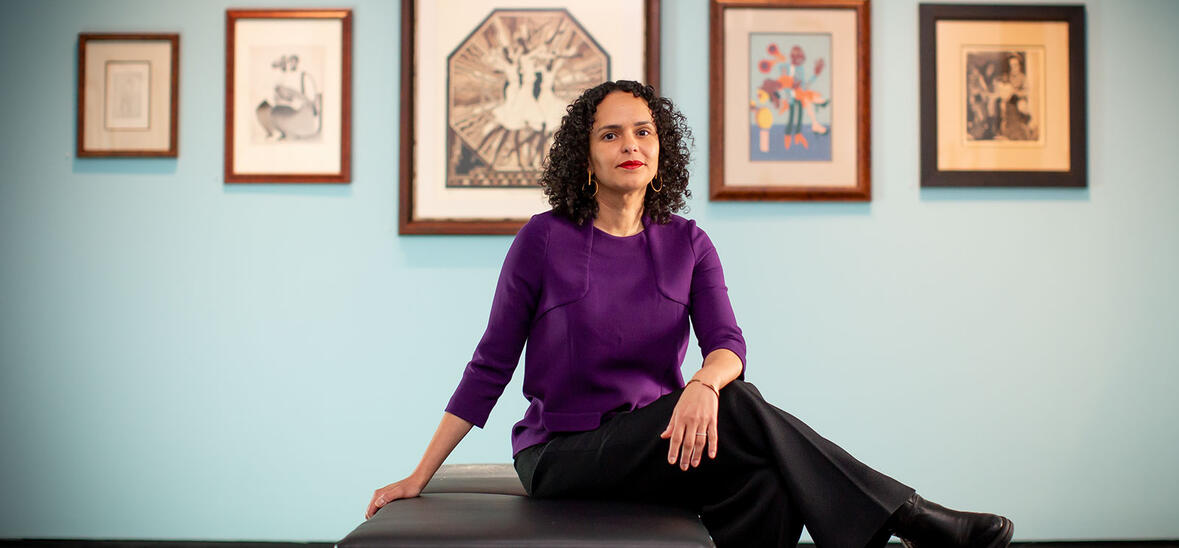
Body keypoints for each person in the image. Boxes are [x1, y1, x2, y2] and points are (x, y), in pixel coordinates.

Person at [365, 80, 1014, 548]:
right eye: (609, 133)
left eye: (642, 131)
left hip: (660, 443)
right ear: (584, 155)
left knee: (768, 477)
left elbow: (727, 343)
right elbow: (490, 364)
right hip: (562, 454)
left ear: (660, 149)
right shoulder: (543, 239)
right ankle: (908, 516)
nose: (629, 143)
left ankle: (896, 520)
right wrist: (418, 476)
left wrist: (703, 382)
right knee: (742, 405)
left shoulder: (688, 243)